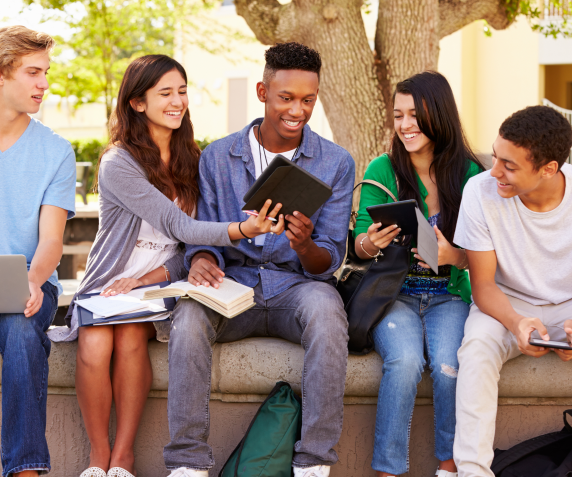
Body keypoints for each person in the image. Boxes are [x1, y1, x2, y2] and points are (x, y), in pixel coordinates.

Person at [48, 55, 283, 477]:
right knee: (97, 343)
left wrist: (147, 278)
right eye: (165, 94)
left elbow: (182, 248)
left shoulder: (194, 161)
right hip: (108, 284)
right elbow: (181, 224)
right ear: (138, 103)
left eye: (182, 91)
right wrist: (242, 229)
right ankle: (97, 460)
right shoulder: (119, 162)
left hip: (162, 286)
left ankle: (123, 458)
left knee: (133, 340)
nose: (178, 102)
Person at [163, 42, 354, 477]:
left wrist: (304, 243)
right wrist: (202, 259)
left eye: (308, 99)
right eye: (286, 98)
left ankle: (314, 461)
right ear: (262, 92)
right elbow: (203, 232)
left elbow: (328, 261)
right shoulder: (217, 157)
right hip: (234, 283)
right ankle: (187, 463)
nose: (298, 110)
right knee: (189, 319)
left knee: (328, 311)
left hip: (297, 287)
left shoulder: (336, 162)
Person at [353, 71, 484, 477]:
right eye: (399, 115)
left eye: (415, 115)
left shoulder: (470, 174)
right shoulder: (383, 168)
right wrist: (372, 242)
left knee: (449, 366)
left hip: (449, 295)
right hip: (395, 296)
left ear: (438, 115)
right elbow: (358, 245)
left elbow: (483, 254)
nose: (405, 125)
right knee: (406, 362)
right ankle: (388, 471)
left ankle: (449, 466)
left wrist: (454, 255)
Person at [453, 106, 572, 477]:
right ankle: (472, 472)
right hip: (507, 302)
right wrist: (517, 322)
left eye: (509, 165)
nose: (494, 171)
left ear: (549, 169)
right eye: (495, 155)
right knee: (476, 349)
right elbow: (483, 285)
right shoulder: (480, 191)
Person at [0, 26, 76, 477]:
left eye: (45, 72)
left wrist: (32, 278)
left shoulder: (54, 151)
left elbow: (51, 241)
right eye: (32, 72)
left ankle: (25, 470)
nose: (43, 84)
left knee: (21, 327)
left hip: (30, 281)